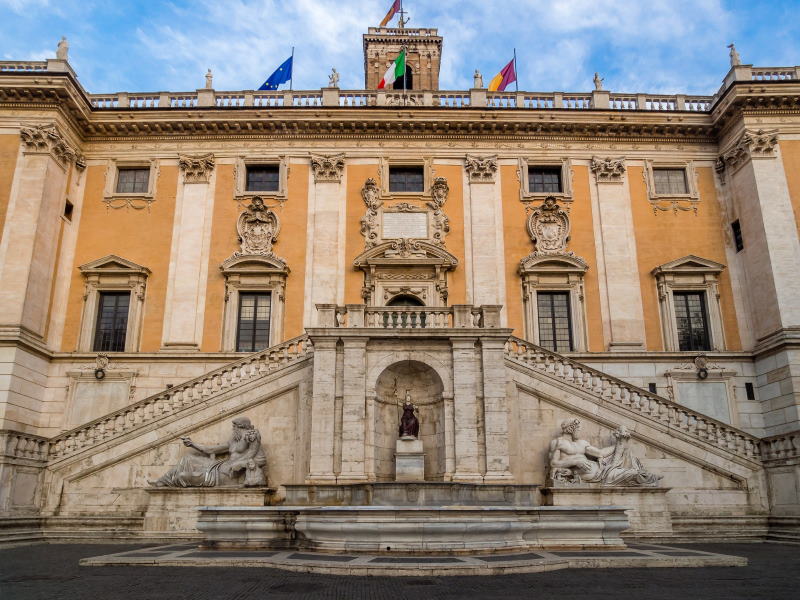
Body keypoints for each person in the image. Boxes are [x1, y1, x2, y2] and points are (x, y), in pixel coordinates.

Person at [150, 416, 266, 487]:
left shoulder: (252, 435)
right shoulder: (233, 439)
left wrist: (238, 464)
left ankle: (172, 481)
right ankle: (163, 480)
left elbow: (252, 453)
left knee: (184, 476)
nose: (233, 429)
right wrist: (192, 444)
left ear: (241, 426)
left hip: (229, 473)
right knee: (188, 458)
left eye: (235, 427)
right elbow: (211, 450)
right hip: (221, 466)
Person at [549, 418, 661, 486]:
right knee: (631, 474)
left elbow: (600, 453)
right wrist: (575, 462)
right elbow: (553, 463)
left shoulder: (581, 443)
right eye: (578, 429)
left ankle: (646, 477)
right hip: (595, 475)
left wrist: (619, 443)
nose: (580, 431)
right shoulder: (558, 443)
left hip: (601, 471)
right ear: (571, 429)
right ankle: (647, 477)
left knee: (629, 470)